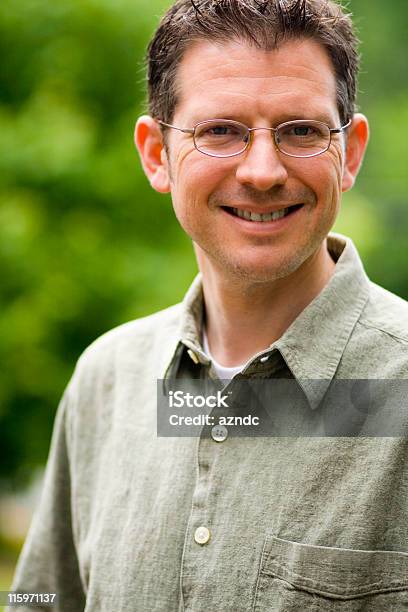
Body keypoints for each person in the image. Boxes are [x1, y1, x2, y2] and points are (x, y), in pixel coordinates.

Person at [8, 0, 408, 610]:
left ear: (349, 153)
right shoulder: (106, 381)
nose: (263, 170)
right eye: (220, 131)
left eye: (301, 130)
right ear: (155, 154)